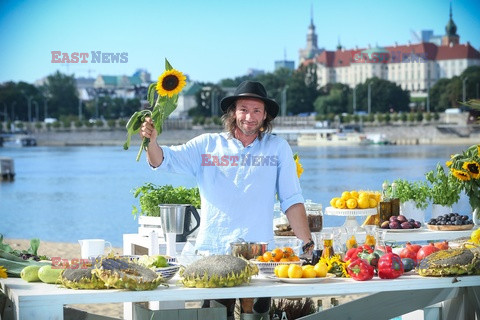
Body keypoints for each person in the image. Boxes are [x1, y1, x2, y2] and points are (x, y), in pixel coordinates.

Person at [140, 80, 314, 319]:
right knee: (214, 316)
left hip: (260, 257)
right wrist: (151, 141)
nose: (249, 117)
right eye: (243, 109)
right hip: (214, 252)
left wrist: (307, 244)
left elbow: (291, 199)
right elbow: (163, 160)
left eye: (256, 111)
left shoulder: (277, 148)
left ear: (265, 116)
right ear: (233, 112)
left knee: (256, 316)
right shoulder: (207, 145)